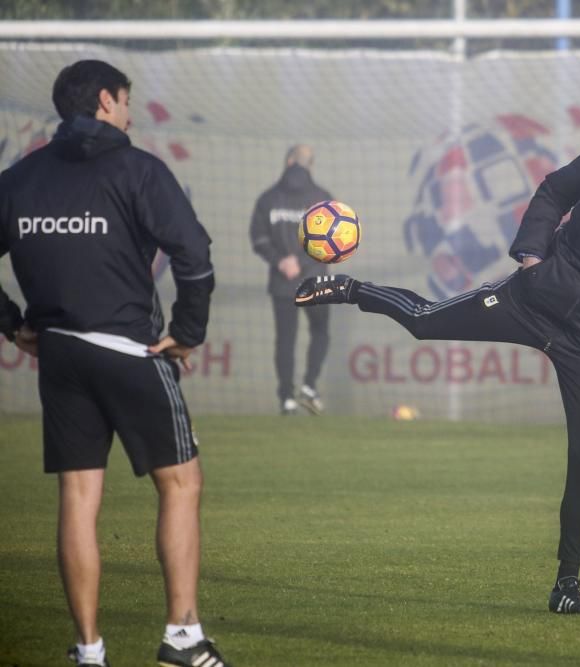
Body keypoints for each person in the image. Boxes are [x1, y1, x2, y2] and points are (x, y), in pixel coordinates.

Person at [295, 97, 580, 614]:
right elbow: (553, 191)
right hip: (531, 299)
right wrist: (532, 253)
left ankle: (566, 586)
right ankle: (348, 288)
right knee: (425, 321)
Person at [0, 60, 229, 667]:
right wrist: (187, 332)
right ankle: (183, 638)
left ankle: (89, 651)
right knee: (180, 484)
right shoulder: (138, 169)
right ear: (105, 101)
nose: (129, 112)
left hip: (60, 356)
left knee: (78, 496)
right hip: (131, 350)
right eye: (126, 101)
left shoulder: (19, 179)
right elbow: (195, 255)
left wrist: (12, 324)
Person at [250, 144, 333, 415]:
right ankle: (309, 386)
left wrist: (281, 261)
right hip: (316, 281)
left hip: (282, 282)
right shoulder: (322, 198)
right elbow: (330, 241)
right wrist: (304, 262)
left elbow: (258, 238)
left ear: (288, 161)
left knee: (285, 339)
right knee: (320, 332)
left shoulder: (267, 199)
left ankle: (286, 397)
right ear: (310, 164)